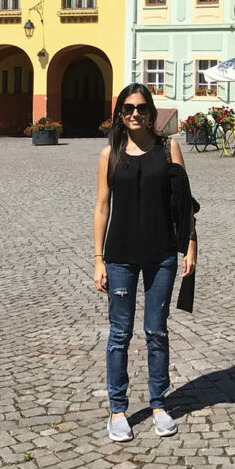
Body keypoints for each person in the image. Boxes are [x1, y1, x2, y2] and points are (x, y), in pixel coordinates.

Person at [93, 83, 197, 443]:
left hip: (162, 255)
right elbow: (102, 207)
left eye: (141, 108)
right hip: (120, 255)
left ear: (152, 113)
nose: (134, 113)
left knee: (156, 331)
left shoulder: (169, 149)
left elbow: (184, 203)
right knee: (119, 334)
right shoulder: (111, 154)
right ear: (120, 115)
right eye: (127, 108)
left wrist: (191, 246)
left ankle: (158, 404)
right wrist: (97, 259)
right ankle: (118, 410)